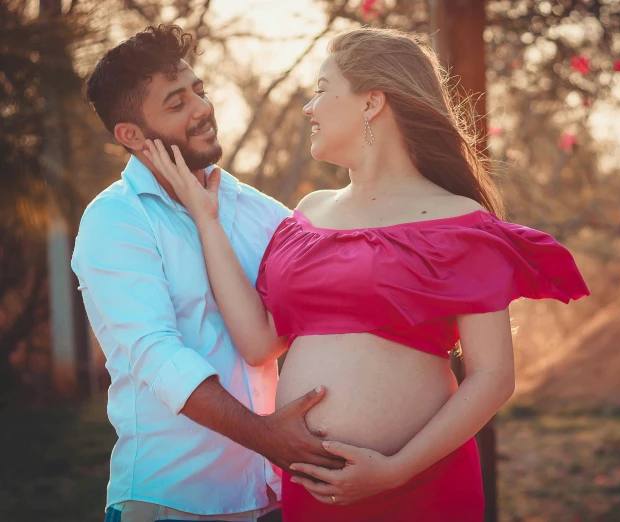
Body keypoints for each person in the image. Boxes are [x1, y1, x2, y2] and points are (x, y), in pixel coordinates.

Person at [146, 27, 589, 522]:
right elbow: (257, 342)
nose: (308, 108)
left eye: (320, 89)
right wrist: (206, 219)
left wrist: (396, 469)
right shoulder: (309, 215)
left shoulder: (460, 222)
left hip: (421, 486)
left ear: (371, 101)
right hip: (313, 490)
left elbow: (492, 377)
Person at [72, 25, 344, 522]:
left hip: (274, 497)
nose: (201, 108)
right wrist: (268, 436)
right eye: (176, 104)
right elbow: (158, 356)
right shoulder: (114, 221)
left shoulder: (258, 211)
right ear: (131, 135)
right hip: (173, 502)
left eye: (199, 91)